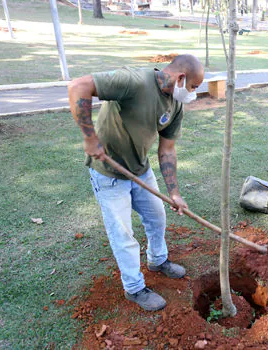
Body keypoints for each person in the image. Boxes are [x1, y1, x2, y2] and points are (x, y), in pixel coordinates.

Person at [68, 54, 205, 311]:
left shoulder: (175, 105)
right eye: (194, 87)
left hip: (141, 171)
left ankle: (158, 260)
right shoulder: (134, 81)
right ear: (181, 78)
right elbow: (78, 86)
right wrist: (89, 137)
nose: (194, 94)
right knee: (123, 234)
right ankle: (134, 288)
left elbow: (167, 150)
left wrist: (174, 193)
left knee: (157, 217)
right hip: (109, 174)